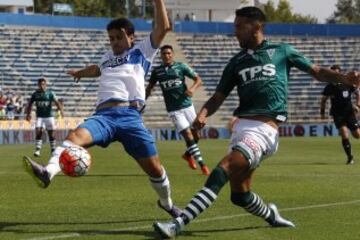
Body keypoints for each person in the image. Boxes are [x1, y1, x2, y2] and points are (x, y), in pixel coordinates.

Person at [153, 7, 360, 238]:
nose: (236, 32)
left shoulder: (282, 51)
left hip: (264, 131)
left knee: (224, 168)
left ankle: (178, 224)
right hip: (241, 129)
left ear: (257, 27)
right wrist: (203, 114)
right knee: (239, 195)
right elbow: (218, 96)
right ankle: (272, 215)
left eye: (240, 26)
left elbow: (317, 71)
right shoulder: (236, 62)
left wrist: (344, 78)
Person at [23, 0, 182, 218]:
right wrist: (80, 72)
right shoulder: (107, 58)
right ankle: (47, 172)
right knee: (74, 136)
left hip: (130, 117)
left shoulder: (142, 51)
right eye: (111, 38)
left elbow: (163, 27)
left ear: (131, 37)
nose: (114, 42)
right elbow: (97, 70)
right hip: (104, 117)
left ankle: (167, 203)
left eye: (118, 37)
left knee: (155, 169)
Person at [146, 45, 210, 175]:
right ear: (161, 55)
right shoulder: (157, 71)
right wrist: (142, 101)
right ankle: (203, 165)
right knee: (187, 134)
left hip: (187, 105)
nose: (167, 55)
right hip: (173, 110)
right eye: (164, 53)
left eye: (169, 53)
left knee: (197, 135)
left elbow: (198, 79)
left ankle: (187, 155)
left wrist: (192, 89)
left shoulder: (181, 67)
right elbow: (150, 87)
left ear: (173, 54)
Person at [320, 65, 360, 165]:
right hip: (337, 114)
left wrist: (358, 104)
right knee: (344, 133)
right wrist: (322, 113)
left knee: (357, 135)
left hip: (349, 113)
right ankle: (350, 158)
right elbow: (323, 100)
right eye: (332, 73)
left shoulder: (347, 83)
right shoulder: (329, 87)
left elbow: (357, 93)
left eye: (336, 73)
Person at [25, 78, 64, 156]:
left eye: (43, 84)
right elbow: (30, 104)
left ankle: (53, 150)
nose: (42, 86)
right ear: (38, 85)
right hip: (40, 117)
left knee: (51, 134)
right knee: (39, 132)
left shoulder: (50, 93)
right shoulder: (35, 94)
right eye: (40, 84)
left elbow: (57, 102)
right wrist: (28, 114)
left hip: (49, 117)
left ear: (46, 85)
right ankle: (37, 150)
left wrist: (61, 111)